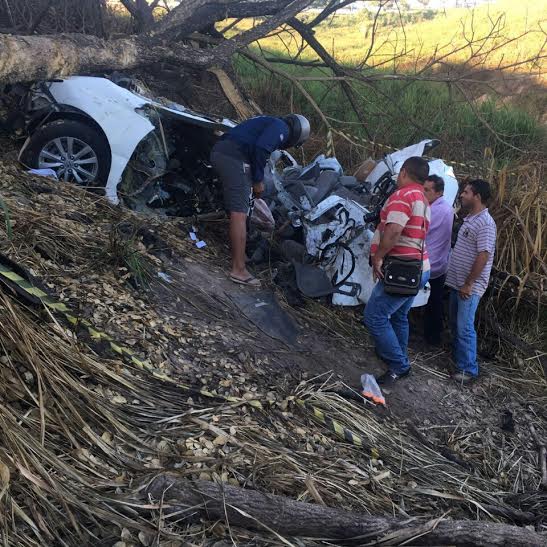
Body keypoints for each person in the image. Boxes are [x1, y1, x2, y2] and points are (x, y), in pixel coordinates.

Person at [210, 114, 310, 287]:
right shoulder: (281, 128)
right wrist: (257, 180)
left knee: (244, 207)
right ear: (296, 134)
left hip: (224, 153)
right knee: (239, 213)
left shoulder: (270, 121)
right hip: (235, 159)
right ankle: (238, 269)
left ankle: (241, 255)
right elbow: (262, 148)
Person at [364, 157, 431, 386]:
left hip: (402, 269)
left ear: (403, 173)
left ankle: (399, 365)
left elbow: (393, 231)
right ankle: (397, 354)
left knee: (375, 316)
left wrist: (379, 257)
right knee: (400, 316)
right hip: (421, 268)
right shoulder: (423, 198)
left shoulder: (403, 196)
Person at [445, 179, 496, 383]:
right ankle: (459, 359)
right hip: (459, 282)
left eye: (466, 192)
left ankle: (468, 370)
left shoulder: (486, 223)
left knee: (464, 326)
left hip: (470, 286)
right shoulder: (471, 218)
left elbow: (483, 255)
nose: (462, 195)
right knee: (456, 323)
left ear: (477, 196)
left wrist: (469, 283)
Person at [422, 174, 454, 346]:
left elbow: (420, 231)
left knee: (432, 303)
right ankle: (431, 337)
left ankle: (432, 338)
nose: (423, 192)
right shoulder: (444, 207)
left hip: (430, 264)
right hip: (439, 264)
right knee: (434, 302)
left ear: (439, 192)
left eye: (427, 190)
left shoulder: (437, 210)